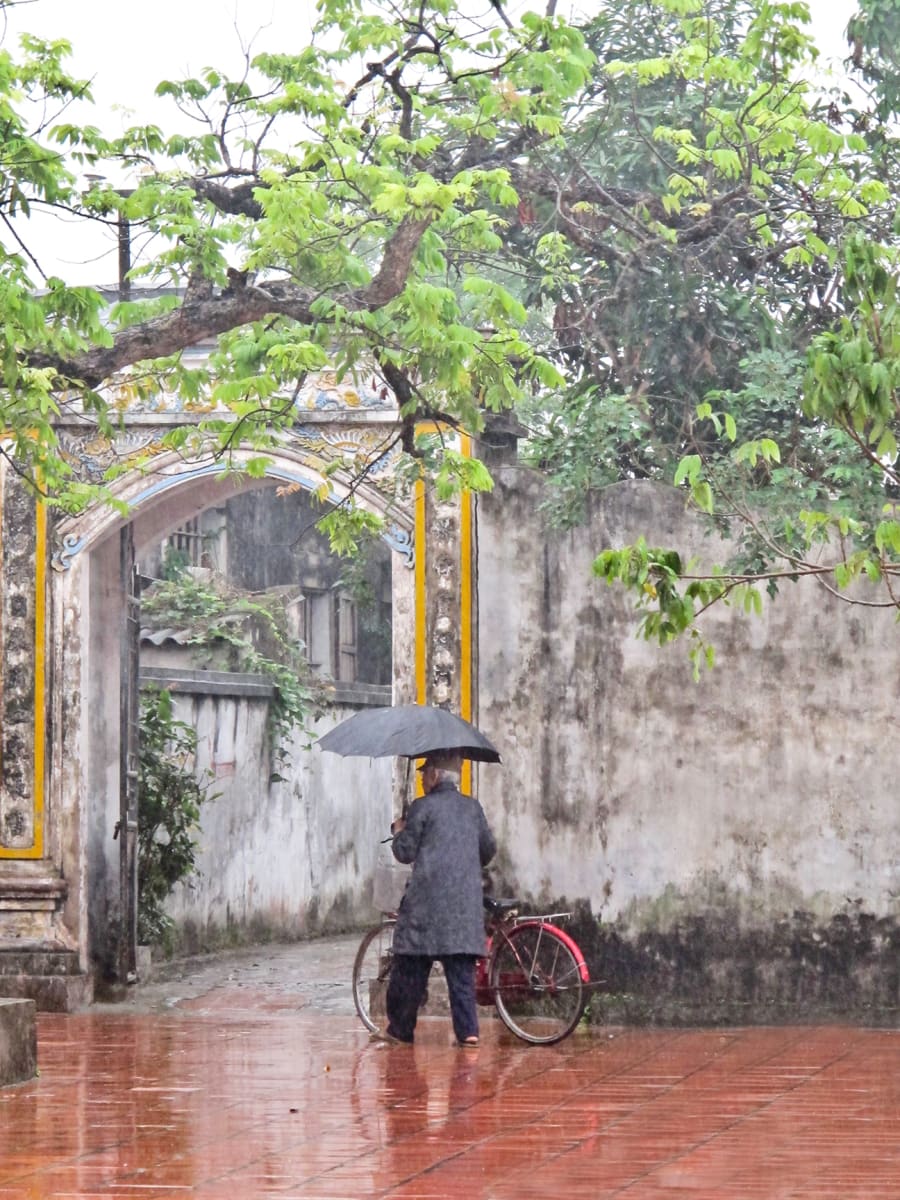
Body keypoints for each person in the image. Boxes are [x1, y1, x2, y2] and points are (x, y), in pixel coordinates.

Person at [383, 751, 496, 1047]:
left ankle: (400, 1029)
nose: (421, 778)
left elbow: (404, 852)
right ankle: (469, 1032)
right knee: (461, 974)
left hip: (427, 906)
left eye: (424, 773)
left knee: (411, 968)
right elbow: (488, 851)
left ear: (434, 775)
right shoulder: (473, 808)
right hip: (464, 906)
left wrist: (399, 831)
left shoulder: (423, 807)